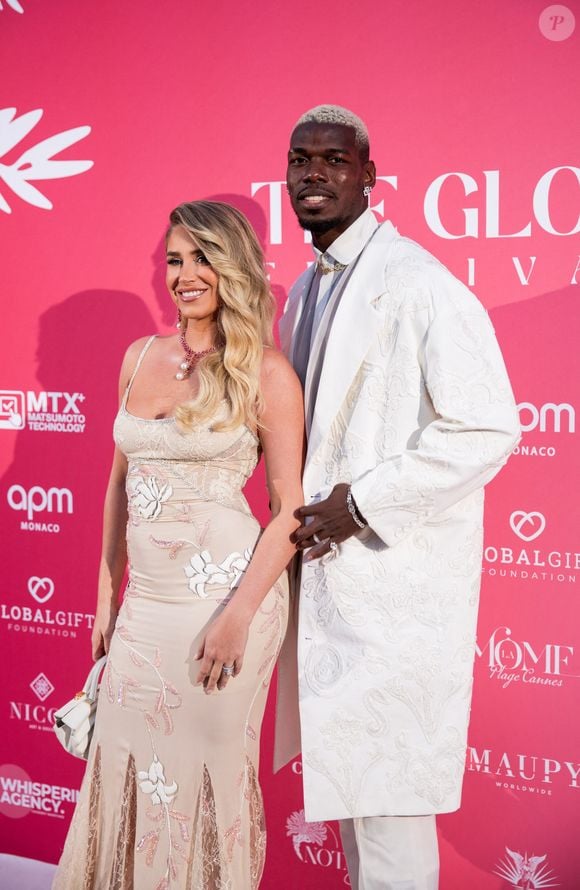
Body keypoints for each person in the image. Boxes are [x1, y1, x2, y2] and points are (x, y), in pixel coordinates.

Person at [279, 105, 520, 890]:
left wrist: (364, 504)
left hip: (391, 594)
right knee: (357, 810)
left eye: (333, 161)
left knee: (389, 821)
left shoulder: (417, 283)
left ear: (369, 177)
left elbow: (487, 427)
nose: (313, 173)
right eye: (300, 159)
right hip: (325, 595)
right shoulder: (300, 295)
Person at [53, 200, 304, 890]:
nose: (185, 275)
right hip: (146, 608)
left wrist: (238, 616)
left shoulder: (268, 373)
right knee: (125, 765)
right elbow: (118, 481)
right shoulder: (139, 357)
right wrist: (107, 593)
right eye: (174, 260)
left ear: (234, 268)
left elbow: (289, 512)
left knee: (203, 775)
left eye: (202, 258)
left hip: (225, 604)